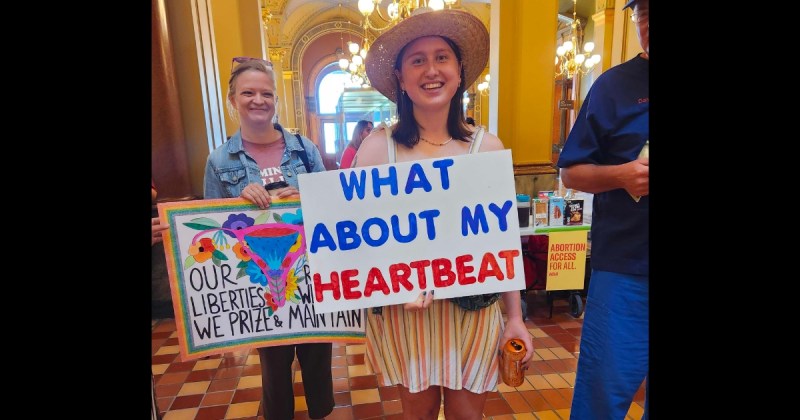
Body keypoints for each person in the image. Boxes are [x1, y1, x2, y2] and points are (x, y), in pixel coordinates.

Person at [354, 9, 534, 419]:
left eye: (441, 57)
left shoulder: (487, 148)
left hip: (473, 313)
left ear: (459, 71)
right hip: (406, 316)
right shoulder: (377, 151)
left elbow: (502, 240)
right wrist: (390, 287)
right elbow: (358, 242)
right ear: (401, 77)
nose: (430, 70)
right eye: (417, 60)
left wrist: (515, 317)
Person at [203, 58, 333, 420]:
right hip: (258, 281)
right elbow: (214, 233)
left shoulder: (304, 149)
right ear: (232, 100)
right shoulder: (218, 161)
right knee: (273, 366)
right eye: (248, 92)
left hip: (309, 276)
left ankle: (322, 413)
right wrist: (235, 202)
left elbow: (331, 206)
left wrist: (306, 193)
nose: (258, 100)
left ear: (276, 100)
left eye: (266, 93)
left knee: (318, 358)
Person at [556, 0, 649, 418]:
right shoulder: (613, 86)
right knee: (601, 398)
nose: (648, 22)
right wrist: (624, 175)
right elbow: (571, 174)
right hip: (626, 272)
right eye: (643, 12)